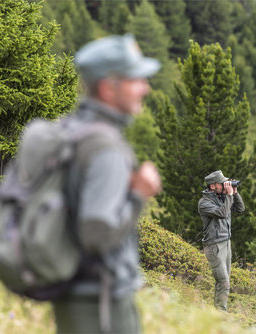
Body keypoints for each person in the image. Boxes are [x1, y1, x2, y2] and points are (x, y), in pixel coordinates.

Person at [52, 34, 161, 333]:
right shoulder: (105, 146)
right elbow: (96, 234)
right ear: (107, 87)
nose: (145, 88)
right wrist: (139, 194)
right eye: (135, 79)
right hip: (101, 301)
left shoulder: (74, 128)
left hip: (75, 294)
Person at [198, 170, 245, 312]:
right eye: (222, 183)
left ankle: (219, 311)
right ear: (213, 186)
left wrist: (235, 193)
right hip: (214, 246)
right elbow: (222, 214)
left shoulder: (223, 198)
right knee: (223, 281)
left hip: (226, 243)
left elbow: (240, 208)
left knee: (225, 281)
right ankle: (221, 315)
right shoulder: (204, 202)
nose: (225, 185)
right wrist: (229, 195)